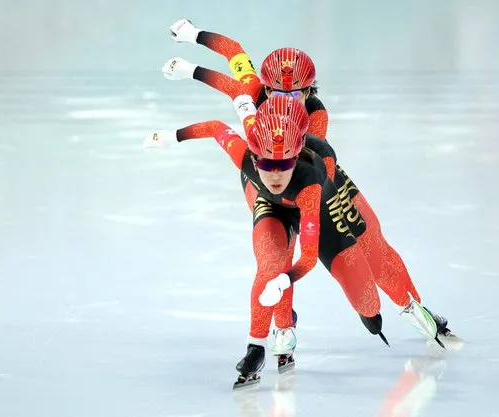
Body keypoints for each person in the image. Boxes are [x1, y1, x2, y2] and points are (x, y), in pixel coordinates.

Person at [162, 19, 458, 346]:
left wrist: (192, 70)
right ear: (265, 87)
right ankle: (283, 327)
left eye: (294, 94)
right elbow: (234, 55)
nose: (285, 99)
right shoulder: (252, 89)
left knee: (372, 244)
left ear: (308, 91)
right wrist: (191, 41)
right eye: (276, 91)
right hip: (266, 181)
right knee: (276, 255)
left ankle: (413, 304)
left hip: (311, 177)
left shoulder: (315, 116)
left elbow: (315, 161)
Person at [143, 95, 385, 388]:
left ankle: (303, 322)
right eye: (267, 163)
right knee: (270, 263)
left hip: (312, 208)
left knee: (369, 306)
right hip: (271, 207)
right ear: (254, 157)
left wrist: (285, 282)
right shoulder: (245, 153)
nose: (275, 174)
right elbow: (217, 128)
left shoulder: (310, 182)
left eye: (284, 164)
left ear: (296, 158)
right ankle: (256, 347)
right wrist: (172, 137)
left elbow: (308, 257)